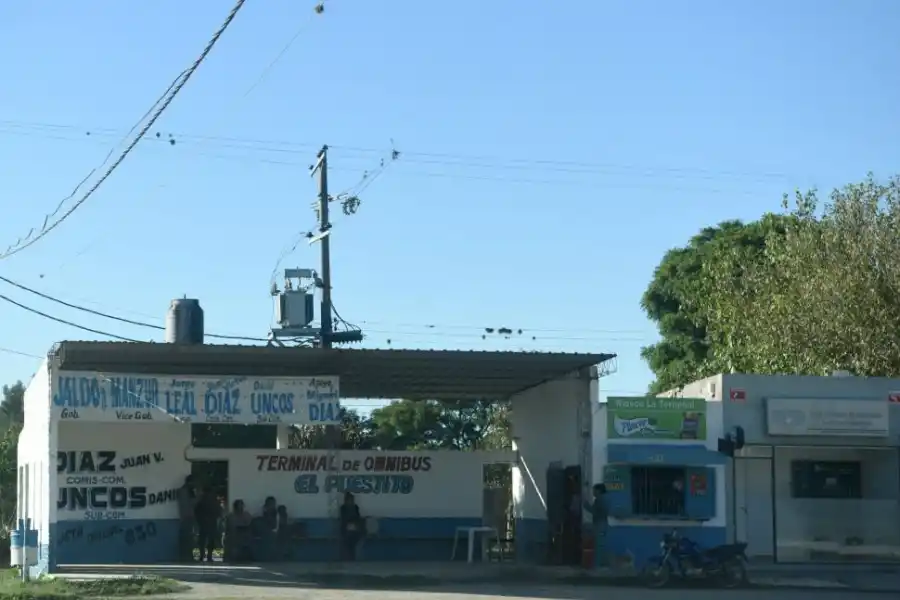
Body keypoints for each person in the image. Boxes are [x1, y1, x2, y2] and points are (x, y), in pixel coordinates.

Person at [584, 483, 609, 567]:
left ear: (598, 491)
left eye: (594, 490)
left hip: (599, 524)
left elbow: (594, 511)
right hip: (604, 524)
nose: (593, 492)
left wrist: (586, 505)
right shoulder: (606, 498)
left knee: (598, 546)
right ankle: (599, 565)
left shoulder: (599, 499)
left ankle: (597, 566)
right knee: (601, 546)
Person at [195, 486, 222, 562]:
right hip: (210, 523)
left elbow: (197, 511)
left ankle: (203, 555)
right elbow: (218, 511)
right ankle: (208, 556)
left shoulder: (201, 500)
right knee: (209, 540)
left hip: (204, 523)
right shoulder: (213, 500)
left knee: (203, 540)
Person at [176, 475, 197, 562]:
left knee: (186, 537)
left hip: (185, 516)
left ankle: (186, 556)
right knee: (187, 538)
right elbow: (191, 503)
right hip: (187, 517)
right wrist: (199, 497)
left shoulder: (183, 490)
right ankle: (186, 556)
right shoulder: (187, 491)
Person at [339, 492, 364, 561]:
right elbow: (343, 519)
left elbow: (358, 517)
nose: (350, 501)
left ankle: (352, 557)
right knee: (347, 542)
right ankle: (348, 557)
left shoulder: (355, 507)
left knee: (353, 542)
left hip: (355, 528)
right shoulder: (343, 508)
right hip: (346, 529)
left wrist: (354, 524)